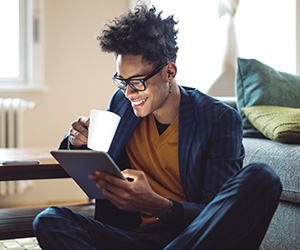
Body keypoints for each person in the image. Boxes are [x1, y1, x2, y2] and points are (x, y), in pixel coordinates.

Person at [33, 5, 282, 250]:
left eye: (138, 82)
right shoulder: (121, 103)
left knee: (263, 177)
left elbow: (216, 213)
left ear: (169, 72)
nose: (129, 93)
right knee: (50, 220)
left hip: (191, 237)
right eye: (122, 81)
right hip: (133, 237)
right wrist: (76, 141)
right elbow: (98, 162)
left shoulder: (218, 119)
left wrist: (158, 204)